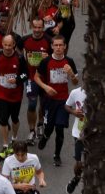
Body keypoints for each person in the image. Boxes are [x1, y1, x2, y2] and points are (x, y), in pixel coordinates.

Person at [33, 36, 79, 166]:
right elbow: (36, 77)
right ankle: (45, 137)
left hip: (64, 100)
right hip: (49, 100)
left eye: (61, 45)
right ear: (52, 46)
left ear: (65, 46)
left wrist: (71, 74)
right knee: (49, 127)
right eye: (56, 45)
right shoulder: (46, 61)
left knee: (59, 128)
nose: (58, 48)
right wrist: (46, 87)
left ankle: (57, 155)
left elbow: (75, 83)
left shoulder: (69, 61)